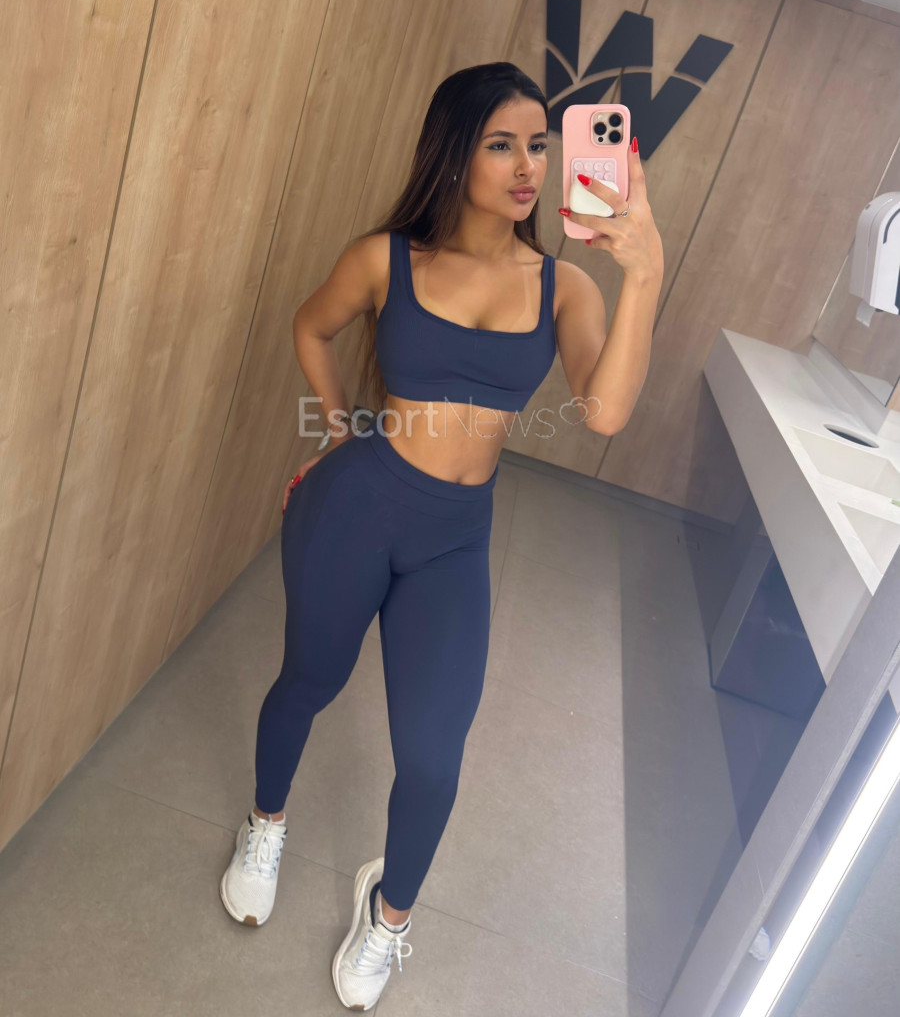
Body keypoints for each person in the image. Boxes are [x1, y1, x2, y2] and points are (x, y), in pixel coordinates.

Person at [219, 61, 663, 1010]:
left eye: (538, 145)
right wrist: (340, 431)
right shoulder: (387, 260)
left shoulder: (565, 289)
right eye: (502, 144)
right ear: (455, 153)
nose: (529, 166)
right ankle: (265, 824)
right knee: (308, 682)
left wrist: (646, 272)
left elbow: (606, 412)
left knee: (431, 756)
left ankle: (388, 916)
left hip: (455, 542)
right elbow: (310, 328)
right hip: (357, 506)